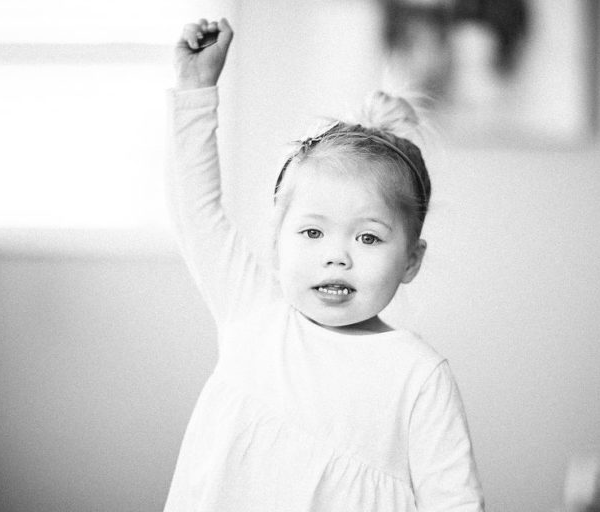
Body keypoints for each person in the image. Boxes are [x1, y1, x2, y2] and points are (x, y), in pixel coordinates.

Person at [164, 16, 485, 512]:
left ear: (411, 260)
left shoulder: (418, 376)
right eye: (312, 232)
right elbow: (196, 210)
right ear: (277, 242)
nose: (337, 254)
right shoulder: (254, 313)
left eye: (368, 237)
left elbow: (455, 503)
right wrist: (195, 88)